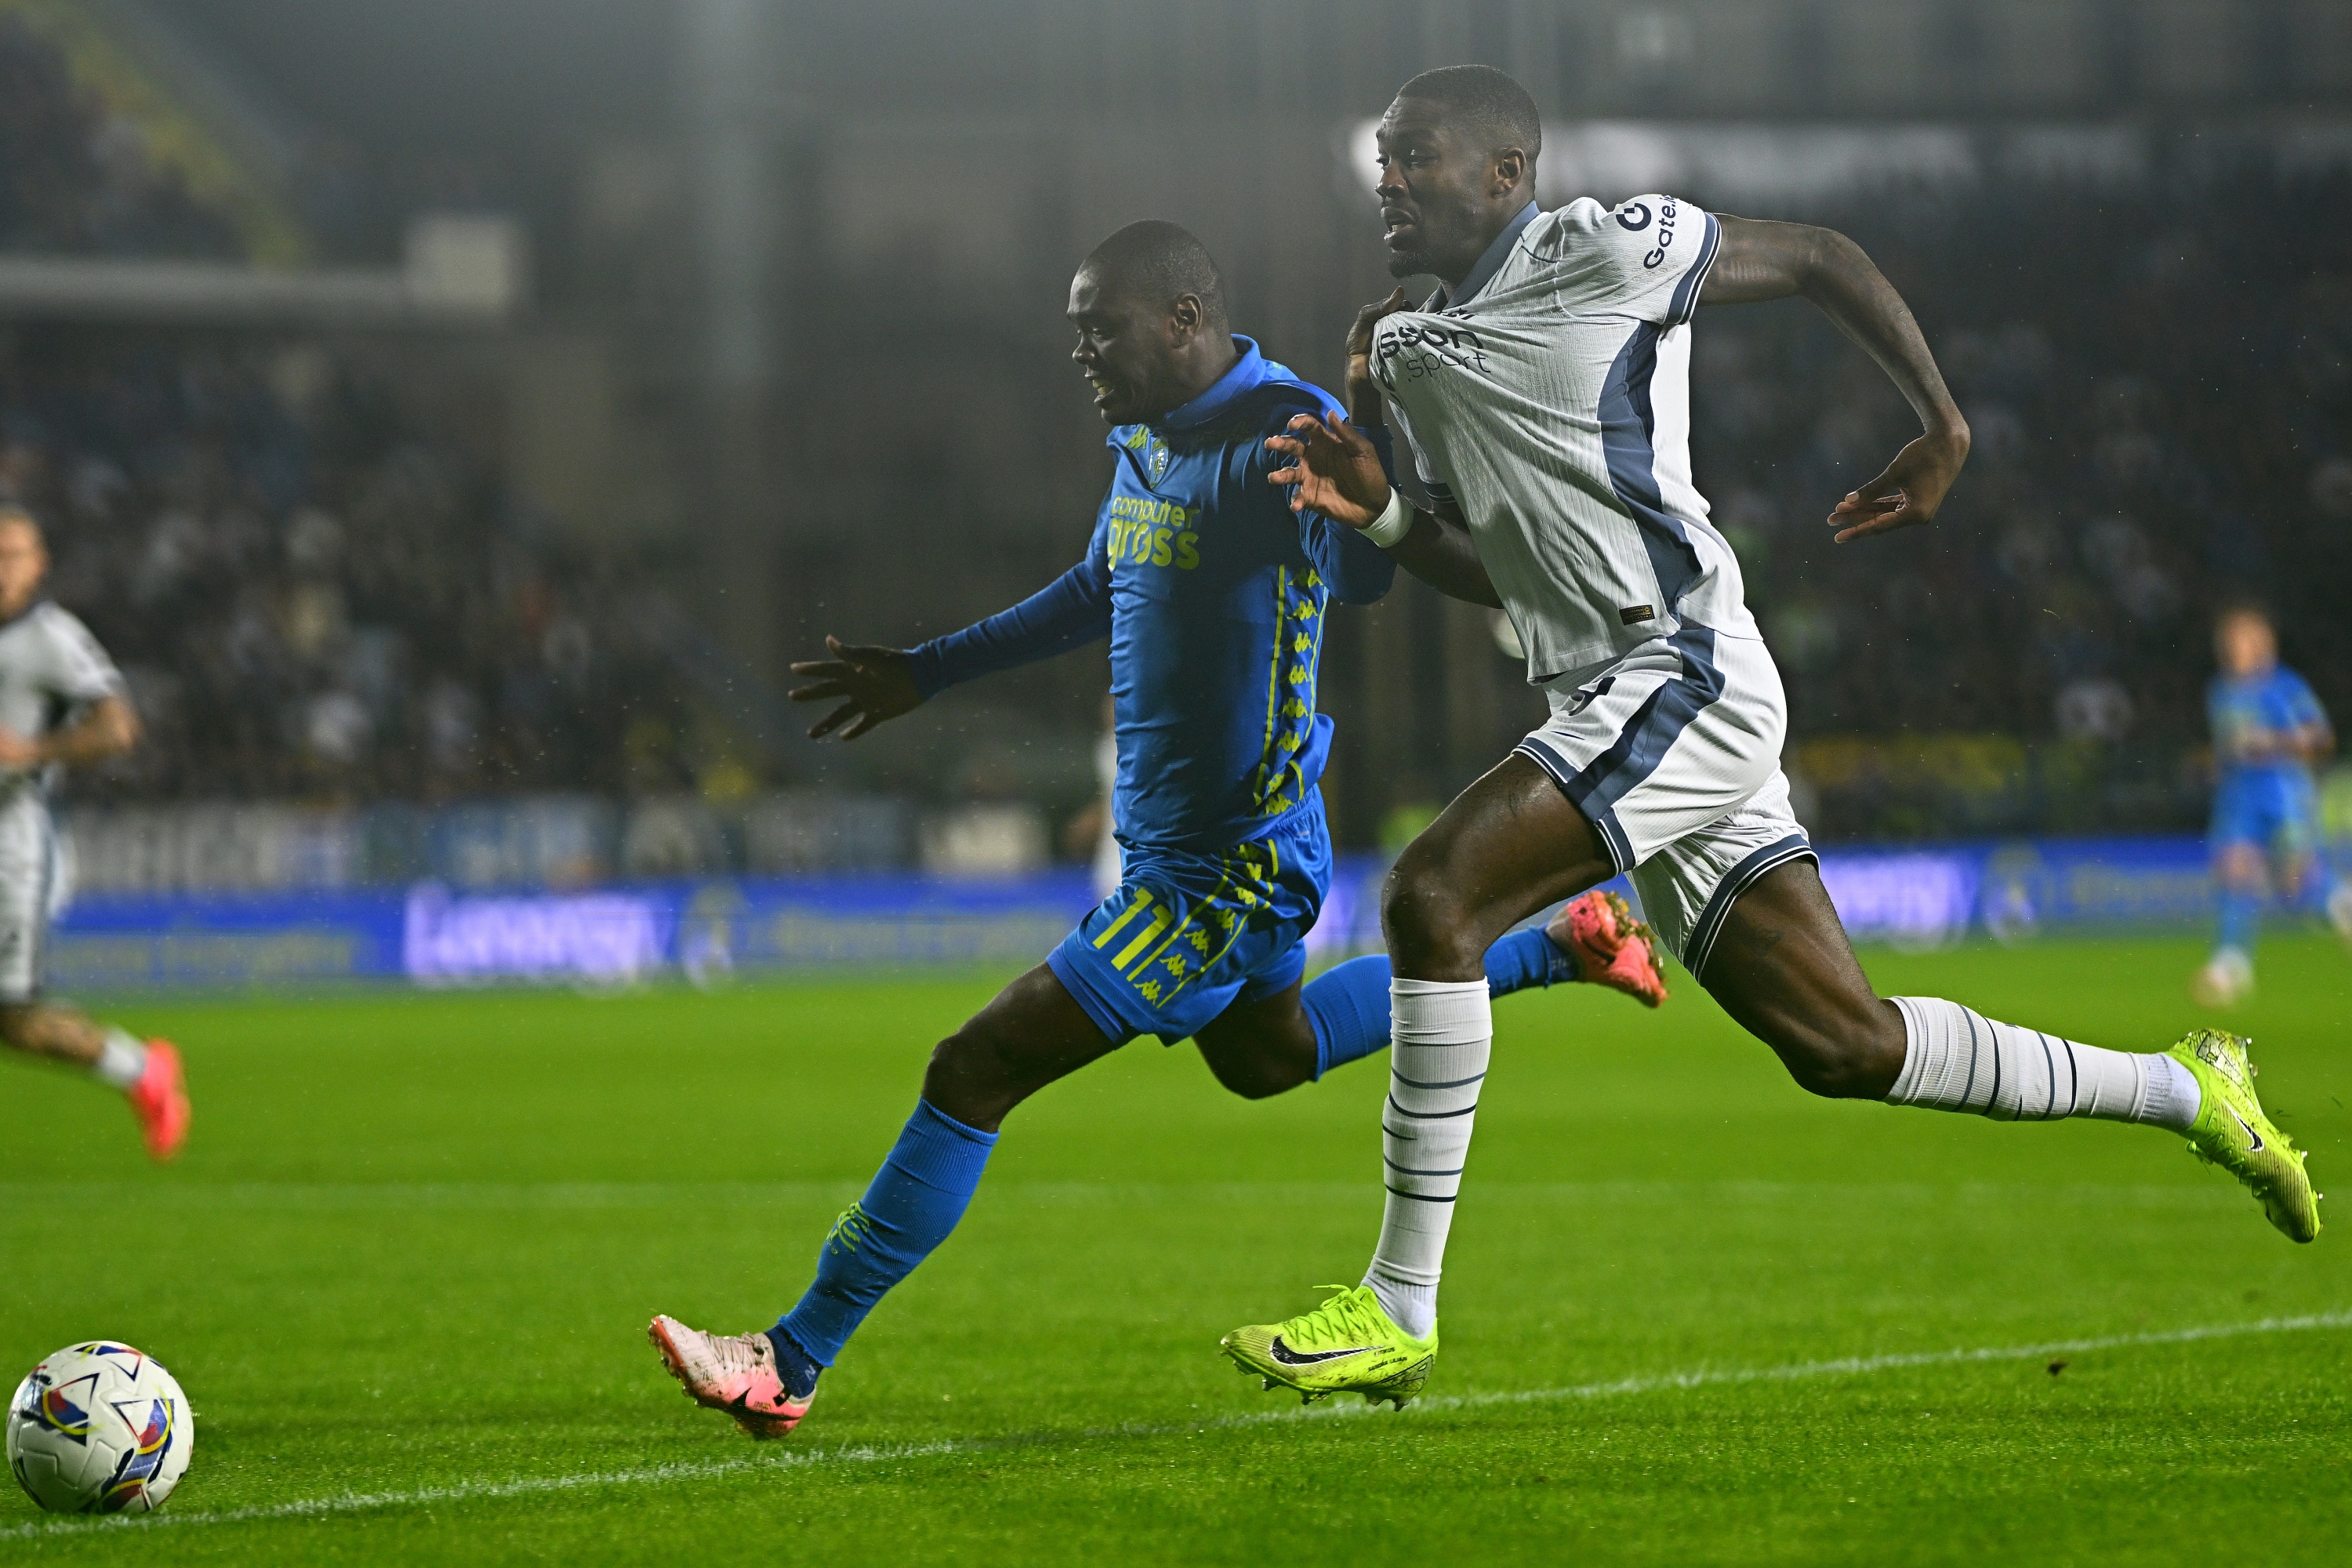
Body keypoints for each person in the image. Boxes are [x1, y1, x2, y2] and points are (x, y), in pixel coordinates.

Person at [1218, 65, 2320, 1412]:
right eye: (1382, 160)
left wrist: (1943, 421)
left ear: (1507, 175)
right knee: (1846, 1047)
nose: (1387, 180)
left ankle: (1396, 1308)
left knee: (1433, 895)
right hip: (1603, 703)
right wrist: (1384, 516)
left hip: (1682, 671)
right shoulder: (1397, 348)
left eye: (1418, 158)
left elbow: (1818, 257)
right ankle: (2188, 1091)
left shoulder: (1603, 249)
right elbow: (1494, 566)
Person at [647, 221, 1668, 1439]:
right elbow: (1100, 585)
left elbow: (1367, 578)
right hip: (1208, 847)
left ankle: (789, 1357)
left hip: (1219, 874)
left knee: (975, 1068)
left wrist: (1367, 459)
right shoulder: (1147, 435)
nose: (1080, 350)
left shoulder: (1271, 433)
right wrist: (930, 671)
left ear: (1184, 318)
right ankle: (1563, 945)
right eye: (1074, 328)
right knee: (1267, 1056)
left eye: (1100, 326)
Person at [0, 508, 186, 1160]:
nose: (2, 569)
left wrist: (30, 751)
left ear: (38, 563)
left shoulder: (50, 637)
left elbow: (117, 728)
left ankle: (143, 1071)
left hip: (10, 849)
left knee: (15, 1019)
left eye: (13, 555)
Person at [2193, 605, 2336, 1005]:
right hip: (2239, 796)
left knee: (2296, 886)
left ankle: (2340, 903)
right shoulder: (2220, 690)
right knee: (2235, 870)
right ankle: (2230, 965)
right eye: (2229, 639)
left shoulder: (2284, 686)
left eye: (2243, 638)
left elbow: (2320, 737)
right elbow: (2230, 745)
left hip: (2283, 791)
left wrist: (2273, 742)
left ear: (2262, 643)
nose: (2233, 647)